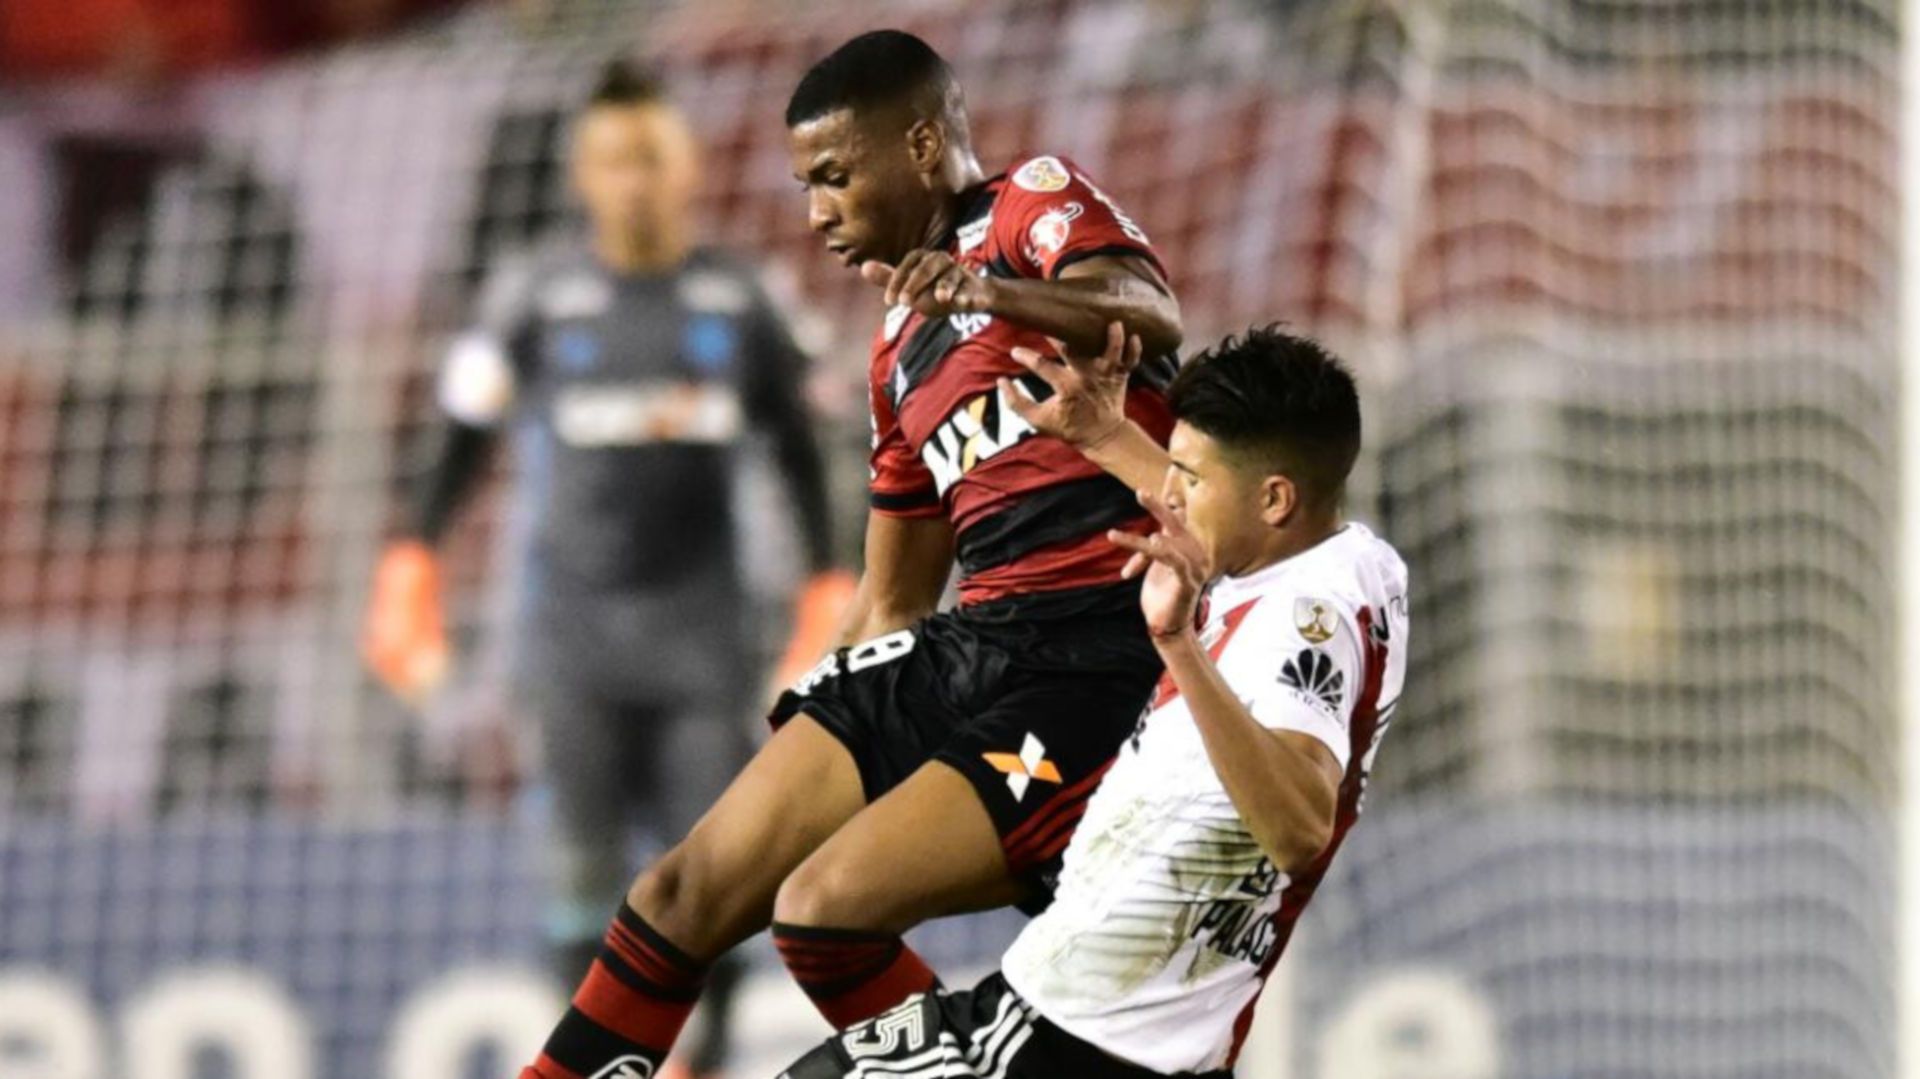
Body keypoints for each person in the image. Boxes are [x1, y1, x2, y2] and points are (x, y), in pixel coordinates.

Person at [517, 29, 1187, 1079]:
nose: (817, 211)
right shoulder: (896, 346)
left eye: (833, 176)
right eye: (802, 187)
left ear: (921, 146)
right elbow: (895, 591)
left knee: (821, 915)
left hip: (1097, 655)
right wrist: (819, 709)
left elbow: (1150, 313)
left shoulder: (1029, 207)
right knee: (679, 890)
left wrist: (993, 295)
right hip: (977, 644)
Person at [361, 59, 844, 1079]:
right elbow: (455, 439)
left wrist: (828, 584)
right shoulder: (532, 296)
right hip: (569, 642)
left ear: (688, 168)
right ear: (584, 174)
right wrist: (410, 567)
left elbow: (808, 456)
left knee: (714, 885)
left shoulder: (742, 297)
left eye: (652, 158)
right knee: (578, 884)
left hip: (705, 643)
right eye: (615, 160)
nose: (635, 180)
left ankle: (693, 1063)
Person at [779, 324, 1410, 1079]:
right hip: (1078, 1024)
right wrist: (1108, 436)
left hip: (1077, 1041)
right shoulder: (1342, 558)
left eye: (1189, 476)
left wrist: (1176, 642)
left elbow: (1301, 827)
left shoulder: (1307, 614)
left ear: (1276, 498)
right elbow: (1226, 515)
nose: (1167, 495)